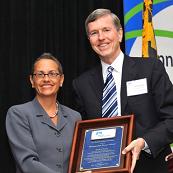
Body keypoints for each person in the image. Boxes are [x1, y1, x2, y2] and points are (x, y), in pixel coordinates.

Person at [72, 8, 173, 173]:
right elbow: (84, 133)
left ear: (119, 34)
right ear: (89, 40)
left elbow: (171, 118)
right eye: (94, 33)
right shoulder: (81, 84)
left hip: (150, 166)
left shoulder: (150, 68)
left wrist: (144, 142)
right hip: (104, 169)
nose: (101, 37)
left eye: (106, 30)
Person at [6, 53, 82, 173]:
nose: (46, 79)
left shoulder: (75, 117)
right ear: (32, 80)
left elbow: (80, 160)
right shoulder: (18, 114)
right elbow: (27, 162)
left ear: (61, 80)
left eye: (52, 74)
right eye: (40, 74)